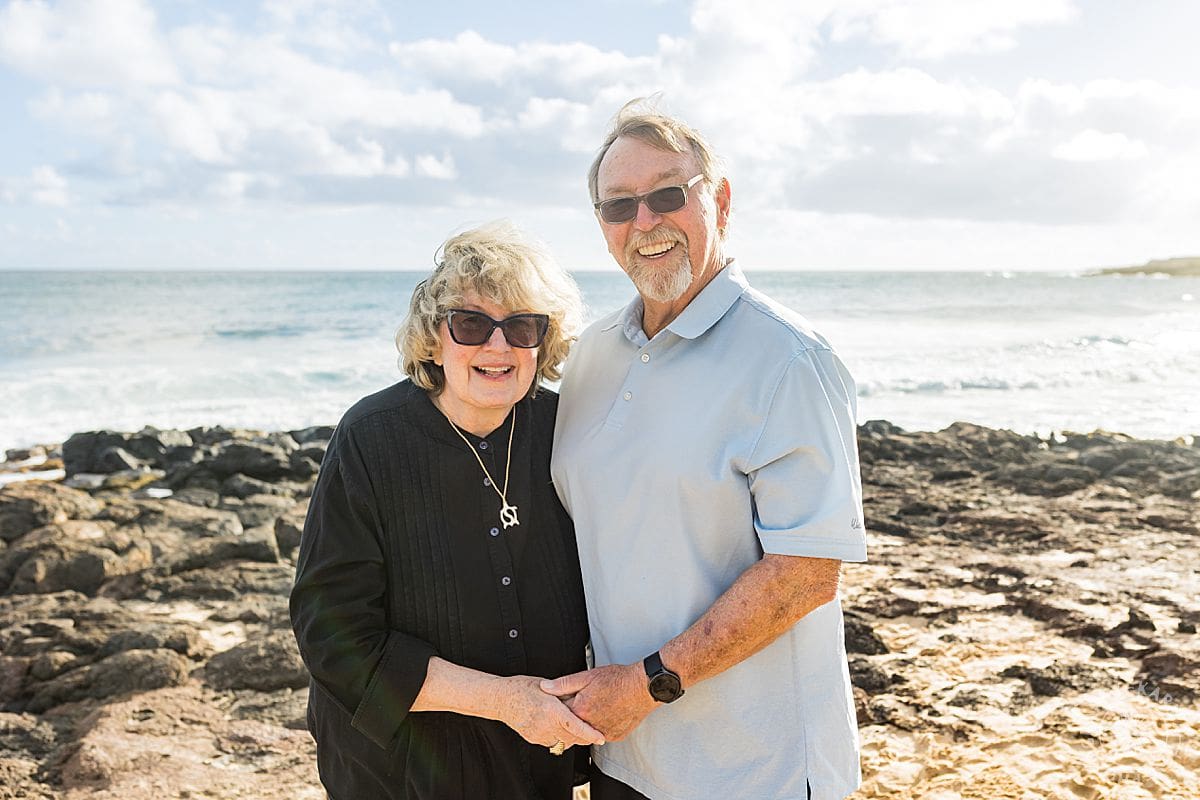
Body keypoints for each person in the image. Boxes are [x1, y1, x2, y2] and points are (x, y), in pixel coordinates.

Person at [545, 99, 868, 800]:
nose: (645, 223)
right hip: (625, 758)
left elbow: (806, 574)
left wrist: (646, 684)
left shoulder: (789, 360)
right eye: (618, 207)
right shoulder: (589, 357)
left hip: (759, 771)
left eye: (668, 195)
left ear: (719, 201)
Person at [290, 220, 603, 800]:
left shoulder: (567, 430)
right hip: (401, 765)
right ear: (434, 338)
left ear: (545, 341)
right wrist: (507, 701)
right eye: (471, 324)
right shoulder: (370, 438)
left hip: (532, 758)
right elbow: (332, 636)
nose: (497, 345)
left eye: (522, 326)